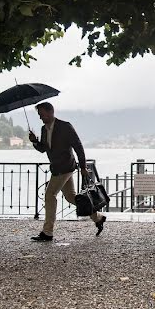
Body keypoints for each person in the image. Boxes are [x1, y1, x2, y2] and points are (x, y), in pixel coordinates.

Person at [28, 102, 106, 241]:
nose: (40, 117)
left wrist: (82, 167)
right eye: (39, 115)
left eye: (42, 114)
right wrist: (35, 141)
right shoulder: (43, 129)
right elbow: (43, 149)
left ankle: (47, 232)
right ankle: (98, 218)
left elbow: (78, 146)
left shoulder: (65, 126)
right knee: (71, 197)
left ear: (51, 112)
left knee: (50, 195)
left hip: (65, 167)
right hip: (57, 168)